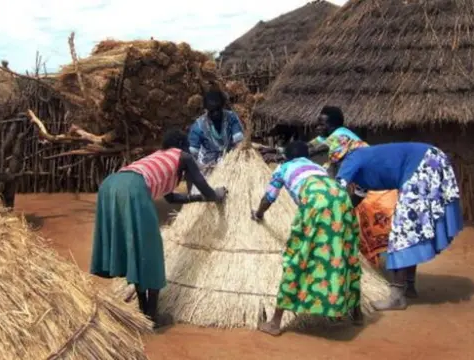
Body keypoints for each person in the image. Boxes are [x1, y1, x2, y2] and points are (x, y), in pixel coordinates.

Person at [90, 129, 228, 328]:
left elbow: (171, 197)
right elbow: (203, 186)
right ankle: (154, 316)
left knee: (136, 249)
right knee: (152, 251)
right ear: (183, 145)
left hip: (110, 186)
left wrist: (198, 199)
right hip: (133, 188)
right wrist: (216, 195)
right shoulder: (184, 156)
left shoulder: (158, 158)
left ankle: (144, 311)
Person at [250, 140, 363, 336]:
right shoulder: (317, 167)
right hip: (342, 199)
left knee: (298, 255)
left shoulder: (283, 168)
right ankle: (357, 313)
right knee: (346, 252)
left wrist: (258, 214)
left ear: (286, 156)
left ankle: (275, 323)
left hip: (316, 201)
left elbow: (269, 197)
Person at [335, 142, 463, 311]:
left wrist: (329, 216)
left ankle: (397, 296)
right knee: (410, 231)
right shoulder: (366, 163)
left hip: (424, 164)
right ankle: (409, 286)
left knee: (401, 234)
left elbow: (337, 188)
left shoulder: (353, 158)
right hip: (433, 160)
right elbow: (356, 199)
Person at [309, 106, 404, 292]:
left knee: (385, 234)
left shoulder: (341, 136)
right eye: (317, 123)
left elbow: (312, 151)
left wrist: (282, 155)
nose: (317, 127)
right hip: (362, 190)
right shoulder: (328, 137)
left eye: (322, 124)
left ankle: (399, 286)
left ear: (335, 125)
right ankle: (396, 283)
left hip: (376, 192)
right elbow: (309, 146)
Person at [187, 90, 244, 193]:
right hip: (207, 166)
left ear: (222, 106)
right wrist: (203, 167)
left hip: (230, 162)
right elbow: (191, 155)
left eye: (218, 109)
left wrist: (233, 161)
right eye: (212, 111)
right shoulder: (198, 126)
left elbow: (239, 142)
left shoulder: (231, 118)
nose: (216, 113)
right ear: (206, 110)